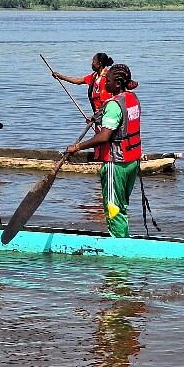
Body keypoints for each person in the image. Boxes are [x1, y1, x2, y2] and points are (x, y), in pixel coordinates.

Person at [64, 64, 142, 238]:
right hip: (132, 161)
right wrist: (96, 117)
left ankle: (119, 247)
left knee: (113, 207)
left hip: (116, 163)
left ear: (117, 84)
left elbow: (104, 137)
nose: (105, 83)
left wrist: (77, 147)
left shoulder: (114, 104)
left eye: (108, 81)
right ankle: (124, 236)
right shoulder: (132, 98)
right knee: (122, 205)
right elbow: (116, 115)